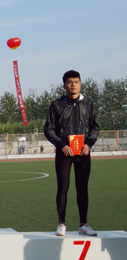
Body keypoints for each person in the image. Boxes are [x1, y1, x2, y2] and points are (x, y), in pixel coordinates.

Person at [44, 70, 100, 237]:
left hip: (83, 153)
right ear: (64, 85)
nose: (73, 85)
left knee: (82, 188)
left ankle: (83, 224)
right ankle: (61, 223)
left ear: (80, 84)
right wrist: (61, 145)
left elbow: (95, 127)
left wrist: (89, 144)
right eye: (69, 82)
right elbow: (48, 129)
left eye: (76, 81)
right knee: (63, 187)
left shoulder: (88, 104)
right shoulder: (57, 105)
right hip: (64, 153)